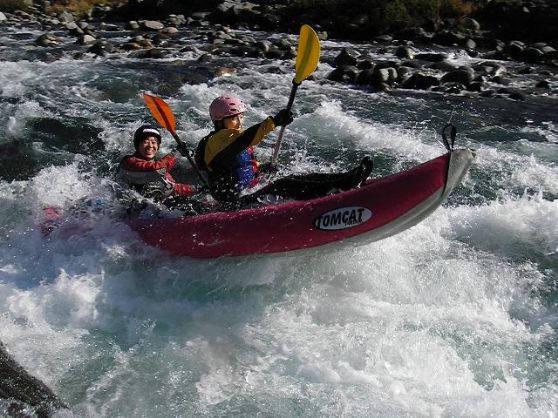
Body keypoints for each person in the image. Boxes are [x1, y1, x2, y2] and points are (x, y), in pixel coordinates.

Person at [195, 95, 373, 209]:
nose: (239, 121)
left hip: (247, 193)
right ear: (219, 121)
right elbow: (242, 142)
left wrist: (262, 170)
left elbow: (239, 167)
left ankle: (345, 179)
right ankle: (337, 189)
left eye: (241, 116)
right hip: (233, 204)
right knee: (284, 184)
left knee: (300, 177)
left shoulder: (230, 138)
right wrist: (273, 122)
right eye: (233, 118)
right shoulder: (215, 141)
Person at [117, 124, 196, 205]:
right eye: (145, 142)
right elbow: (157, 170)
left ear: (158, 146)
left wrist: (196, 189)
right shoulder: (129, 162)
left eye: (154, 142)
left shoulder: (155, 166)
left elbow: (172, 188)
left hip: (155, 209)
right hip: (131, 212)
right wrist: (176, 153)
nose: (150, 146)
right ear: (137, 145)